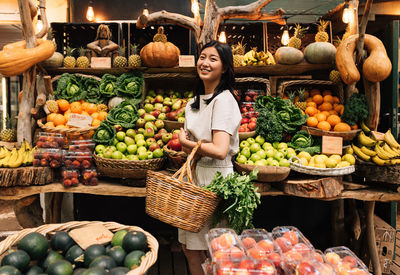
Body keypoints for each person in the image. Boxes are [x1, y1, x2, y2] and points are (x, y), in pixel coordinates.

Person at [178, 40, 242, 275]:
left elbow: (220, 149)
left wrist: (188, 143)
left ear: (224, 68)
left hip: (215, 180)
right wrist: (185, 143)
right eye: (202, 57)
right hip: (195, 178)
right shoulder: (192, 104)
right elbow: (194, 146)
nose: (204, 63)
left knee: (218, 250)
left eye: (213, 59)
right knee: (189, 248)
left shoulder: (224, 100)